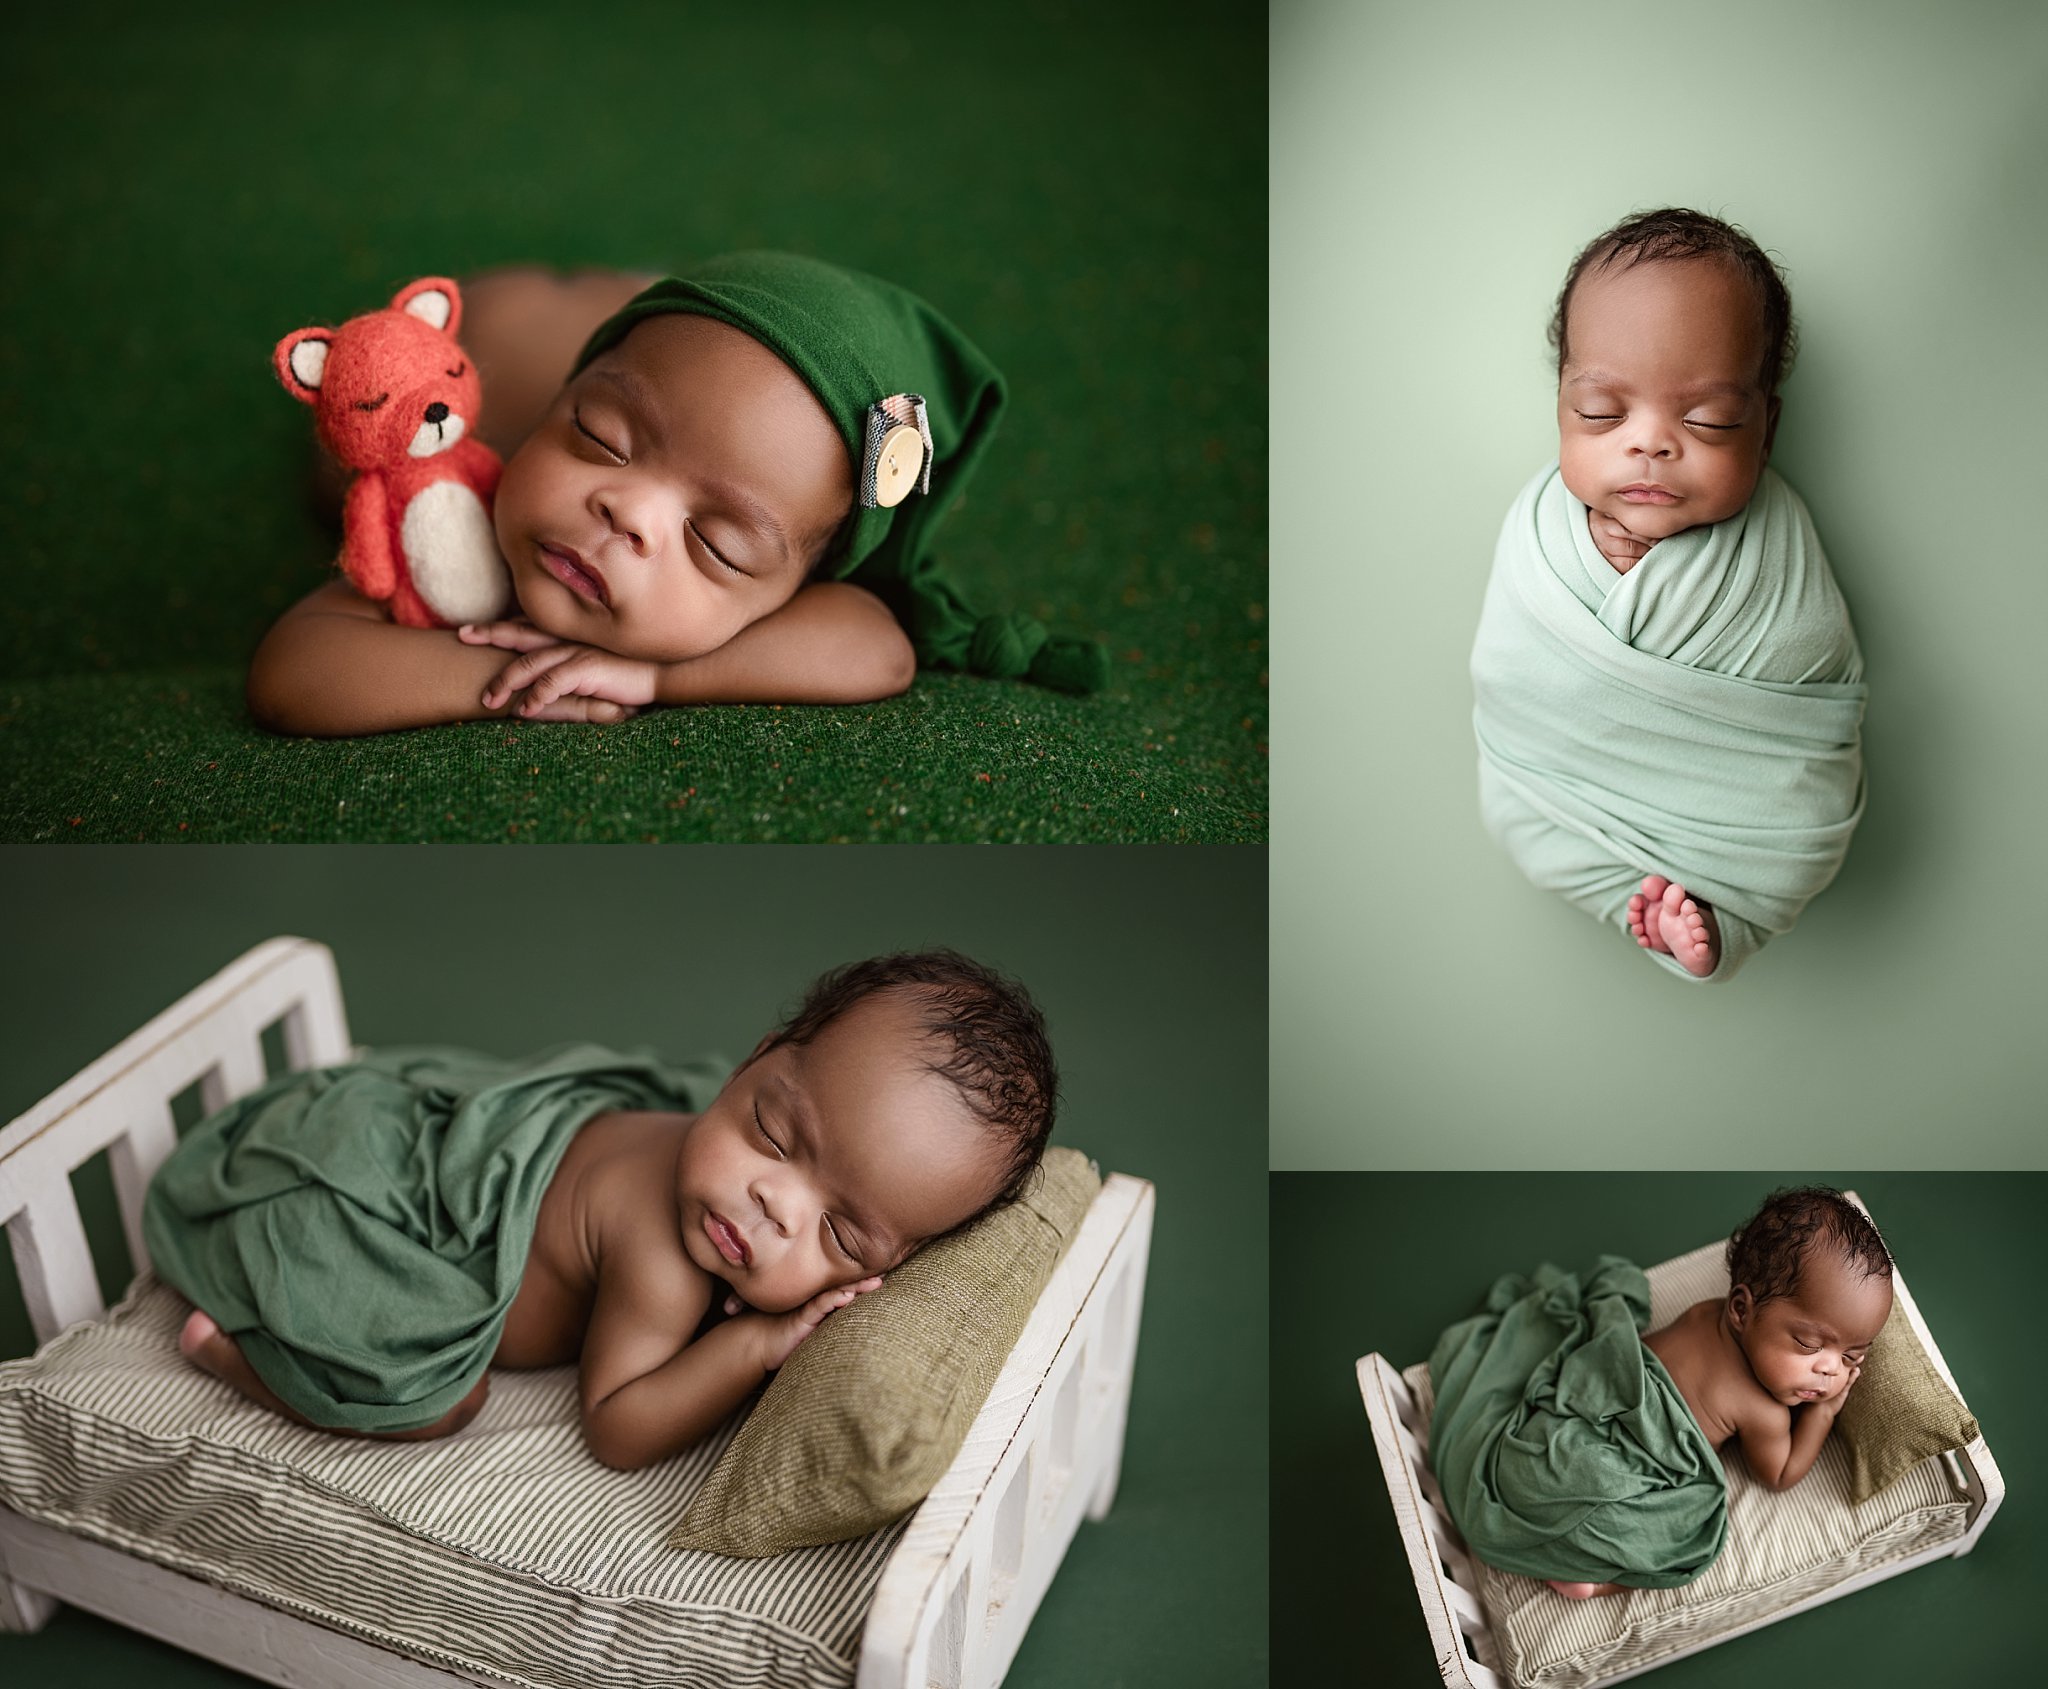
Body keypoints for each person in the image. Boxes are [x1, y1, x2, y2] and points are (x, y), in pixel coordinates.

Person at [146, 950, 1058, 1471]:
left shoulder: (721, 1138)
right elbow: (618, 1426)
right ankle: (231, 1356)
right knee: (434, 1399)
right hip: (390, 1197)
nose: (773, 1203)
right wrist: (754, 1343)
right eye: (774, 1135)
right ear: (757, 1058)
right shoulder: (660, 1254)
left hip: (410, 1144)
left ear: (884, 1270)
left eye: (839, 1232)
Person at [248, 254, 1105, 737]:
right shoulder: (463, 535)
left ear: (795, 591)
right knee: (341, 463)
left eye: (720, 545)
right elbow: (294, 670)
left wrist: (651, 676)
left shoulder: (785, 598)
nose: (630, 514)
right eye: (597, 440)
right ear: (559, 408)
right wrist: (512, 671)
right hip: (498, 343)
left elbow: (878, 651)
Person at [1470, 209, 1866, 981]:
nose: (1649, 442)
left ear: (1766, 427)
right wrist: (1607, 566)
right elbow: (1512, 677)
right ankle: (1641, 902)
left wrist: (1658, 579)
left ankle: (1714, 916)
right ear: (1560, 406)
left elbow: (1809, 664)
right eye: (1601, 413)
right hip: (1559, 795)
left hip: (1750, 815)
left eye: (1708, 419)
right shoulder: (1539, 534)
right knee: (1519, 821)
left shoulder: (1775, 543)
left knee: (1797, 827)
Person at [1429, 1187, 1892, 1599]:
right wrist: (1825, 1413)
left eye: (1852, 1356)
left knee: (1547, 1466)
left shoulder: (1701, 1313)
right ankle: (1599, 1581)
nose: (1830, 1369)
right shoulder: (1765, 1412)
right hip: (1618, 1449)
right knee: (1692, 1533)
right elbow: (1779, 1475)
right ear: (1740, 1309)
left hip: (1575, 1423)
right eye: (1809, 1345)